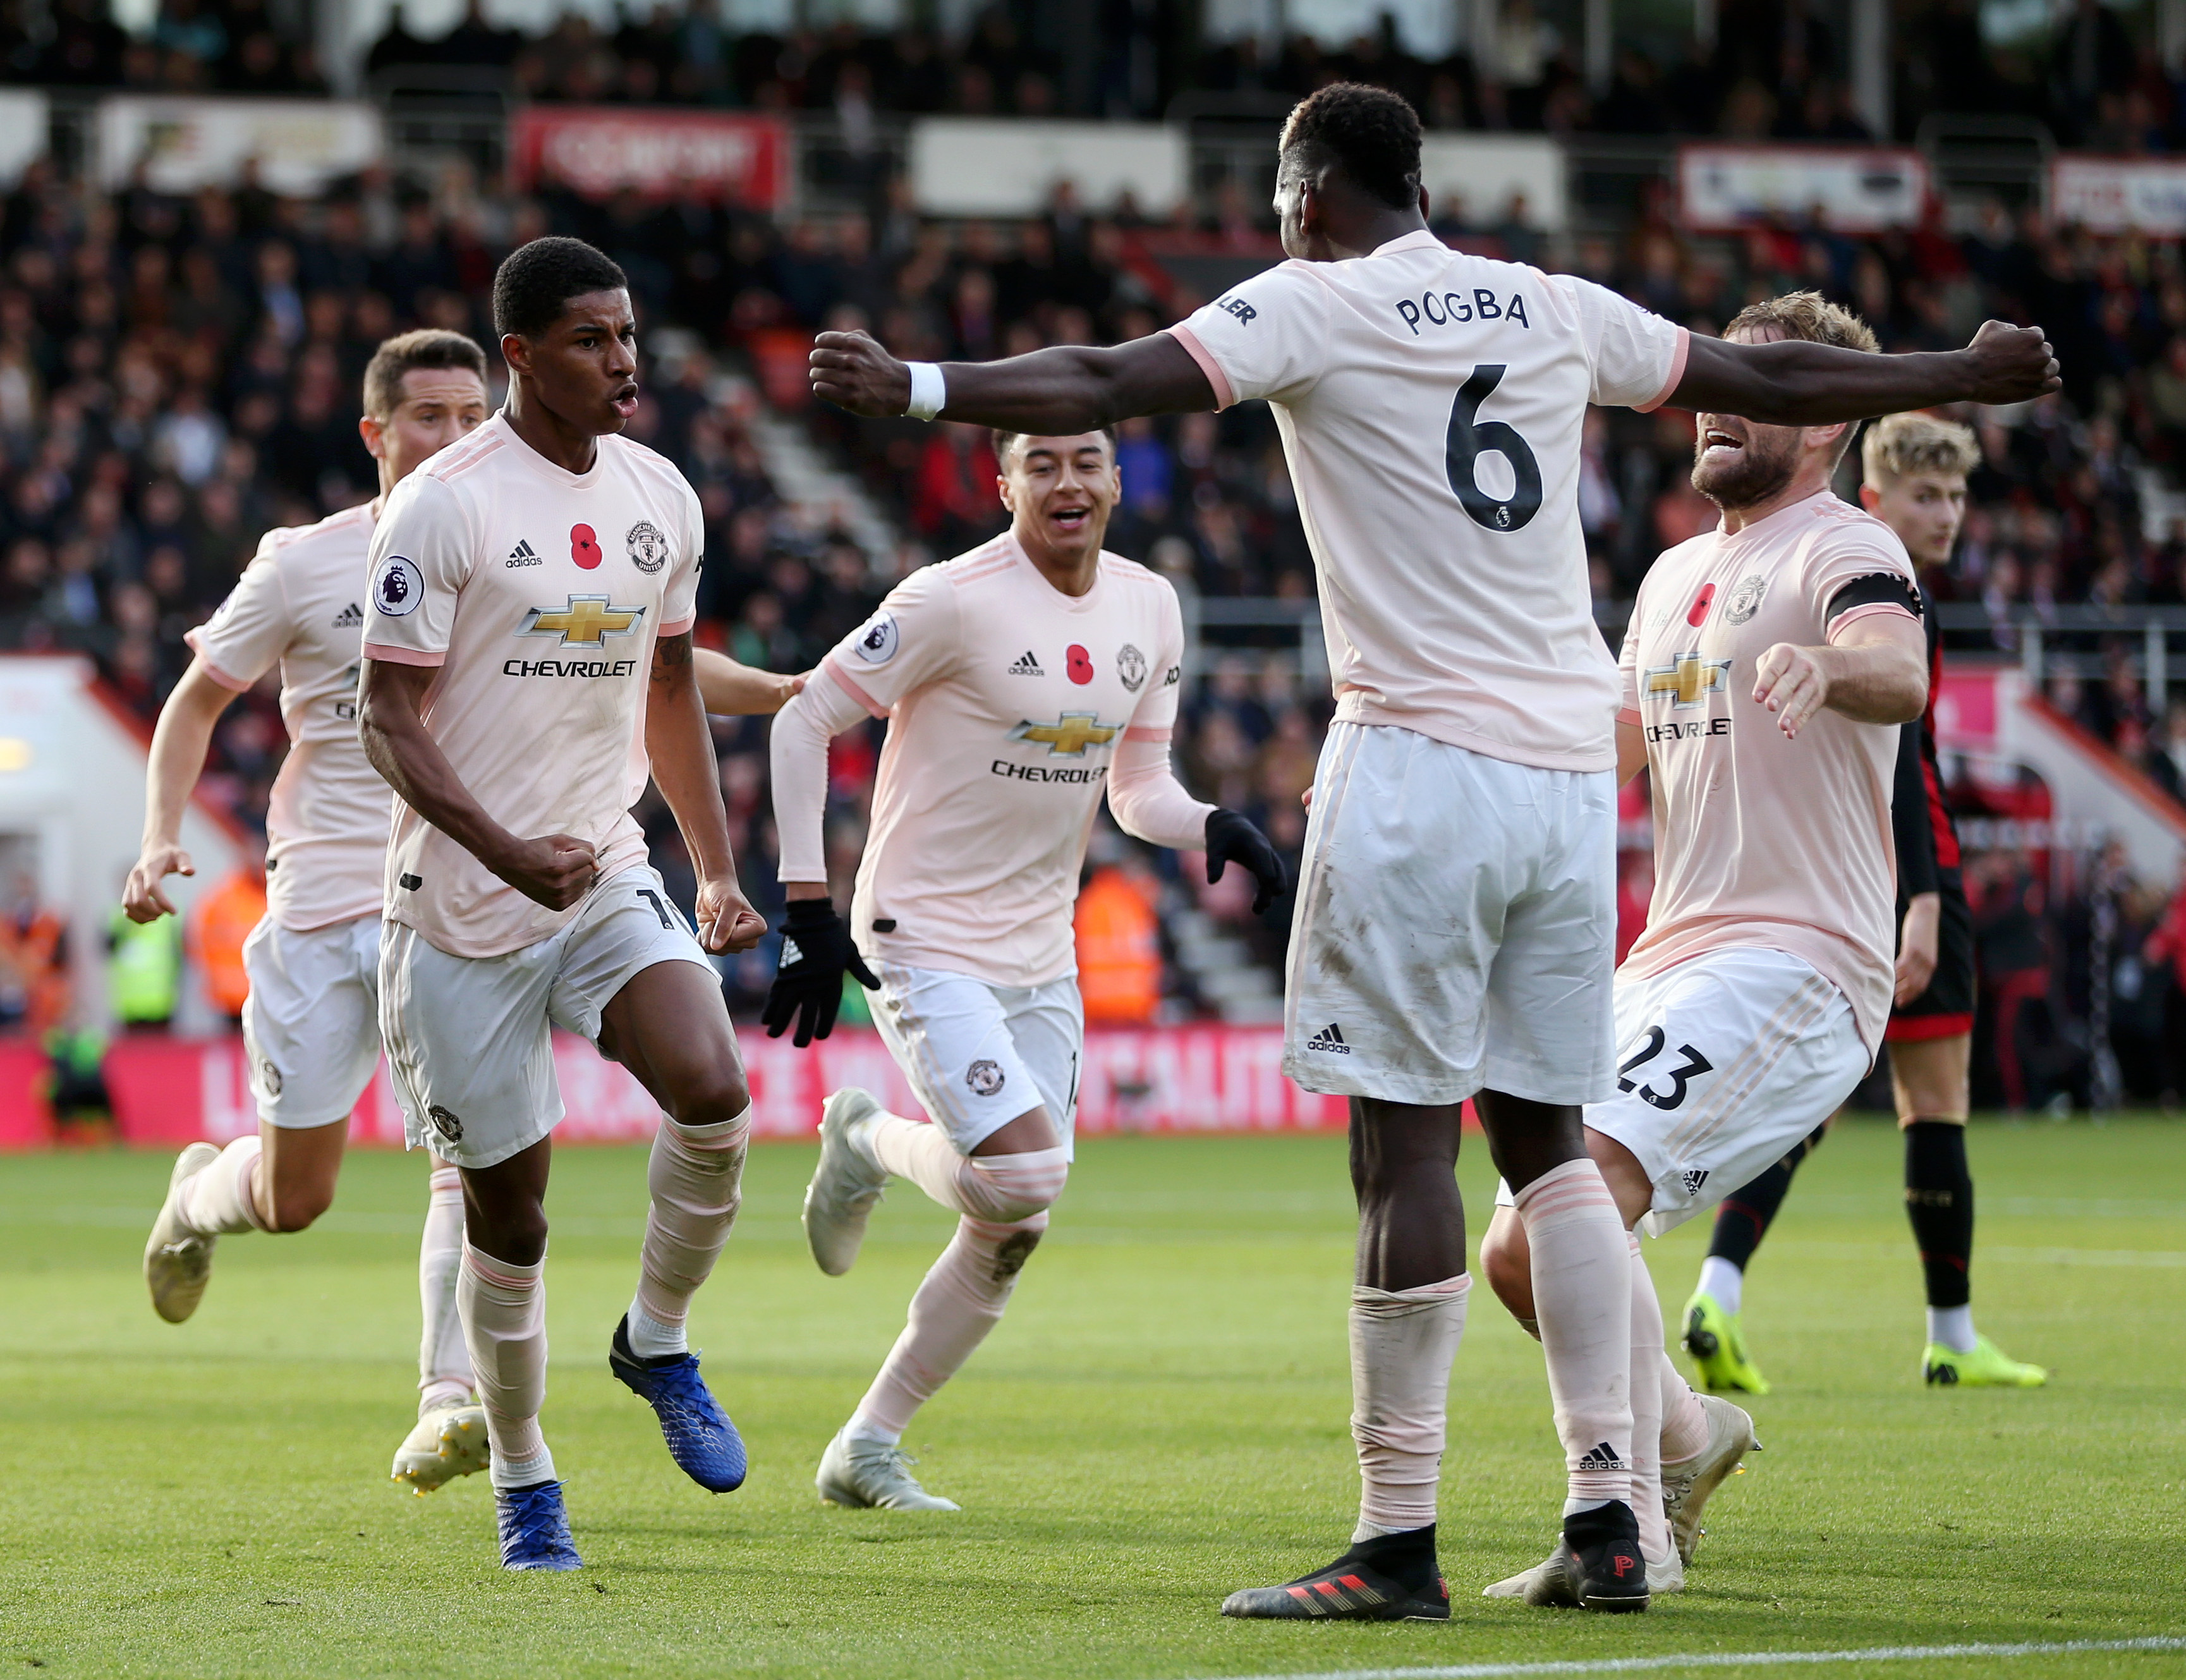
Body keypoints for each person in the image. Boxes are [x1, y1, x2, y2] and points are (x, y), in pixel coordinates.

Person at [808, 83, 2058, 1619]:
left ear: (1306, 194)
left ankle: (1394, 1542)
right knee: (1543, 1150)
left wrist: (922, 386)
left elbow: (1100, 378)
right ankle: (1611, 1513)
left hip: (1416, 764)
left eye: (1282, 202)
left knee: (1403, 1149)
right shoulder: (1549, 306)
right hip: (1556, 783)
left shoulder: (1311, 303)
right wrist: (1966, 372)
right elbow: (1760, 365)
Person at [1474, 292, 1934, 1603]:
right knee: (1517, 1246)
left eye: (1756, 389)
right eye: (1714, 381)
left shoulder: (1845, 549)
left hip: (1797, 962)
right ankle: (1686, 1435)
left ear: (1828, 420)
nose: (1715, 405)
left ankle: (1617, 1531)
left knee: (1594, 1188)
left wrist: (1825, 673)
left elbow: (1893, 669)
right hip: (1669, 960)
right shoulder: (1675, 573)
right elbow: (1599, 760)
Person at [768, 428, 1284, 1511]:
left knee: (1017, 1223)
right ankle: (864, 1137)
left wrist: (1209, 823)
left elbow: (1136, 782)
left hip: (1041, 947)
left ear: (1118, 478)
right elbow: (805, 718)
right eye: (1040, 463)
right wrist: (807, 902)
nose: (1068, 482)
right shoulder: (949, 599)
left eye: (1088, 460)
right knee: (1024, 1174)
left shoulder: (1151, 604)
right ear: (1001, 483)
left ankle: (866, 1444)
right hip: (923, 929)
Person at [356, 238, 770, 1571]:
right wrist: (494, 843)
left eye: (630, 335)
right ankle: (525, 1475)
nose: (625, 362)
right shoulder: (444, 504)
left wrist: (710, 866)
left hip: (599, 870)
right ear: (522, 357)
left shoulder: (660, 495)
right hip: (460, 910)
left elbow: (664, 690)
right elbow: (386, 717)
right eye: (592, 340)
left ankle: (655, 1339)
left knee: (713, 1087)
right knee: (511, 1222)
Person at [132, 331, 501, 1496]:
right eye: (429, 417)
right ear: (375, 434)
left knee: (462, 1161)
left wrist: (795, 692)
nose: (454, 437)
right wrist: (159, 837)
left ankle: (449, 1401)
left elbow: (646, 663)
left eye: (471, 415)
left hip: (447, 906)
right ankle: (198, 1192)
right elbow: (197, 700)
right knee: (298, 1200)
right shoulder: (302, 563)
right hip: (319, 905)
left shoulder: (515, 554)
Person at [1679, 411, 2048, 1392]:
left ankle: (1719, 1286)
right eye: (1929, 494)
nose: (1951, 513)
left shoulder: (1845, 571)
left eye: (1960, 495)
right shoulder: (1861, 570)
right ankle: (1952, 1333)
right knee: (1935, 1101)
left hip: (1840, 882)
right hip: (1883, 881)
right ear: (1874, 495)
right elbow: (1896, 773)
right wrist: (1922, 899)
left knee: (1809, 1101)